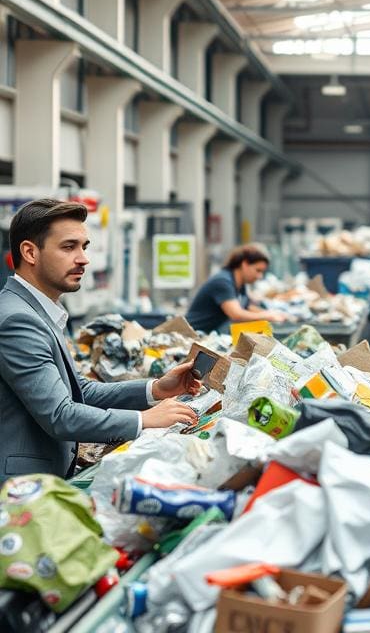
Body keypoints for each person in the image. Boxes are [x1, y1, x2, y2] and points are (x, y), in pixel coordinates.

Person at [0, 199, 201, 482]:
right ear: (30, 252)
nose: (83, 258)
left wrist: (155, 389)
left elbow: (79, 391)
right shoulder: (18, 320)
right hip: (20, 490)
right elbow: (60, 414)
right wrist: (144, 420)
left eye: (84, 246)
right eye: (69, 247)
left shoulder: (38, 311)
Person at [185, 244, 288, 334]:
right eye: (258, 270)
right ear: (245, 264)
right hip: (193, 334)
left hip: (211, 333)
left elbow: (247, 307)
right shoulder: (223, 282)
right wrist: (267, 316)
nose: (260, 276)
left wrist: (274, 314)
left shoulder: (240, 284)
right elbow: (236, 314)